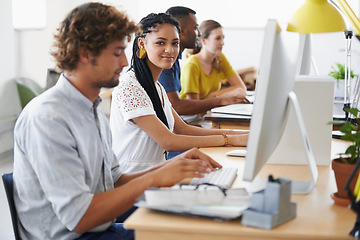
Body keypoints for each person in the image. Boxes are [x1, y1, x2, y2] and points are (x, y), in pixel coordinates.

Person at [12, 3, 221, 240]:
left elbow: (116, 181)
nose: (124, 62)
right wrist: (156, 178)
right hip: (76, 236)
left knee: (198, 223)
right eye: (117, 52)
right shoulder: (48, 118)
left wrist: (172, 166)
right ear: (85, 53)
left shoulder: (91, 110)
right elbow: (80, 217)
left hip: (101, 228)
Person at [109, 13, 248, 174]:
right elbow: (168, 141)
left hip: (155, 175)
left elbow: (183, 128)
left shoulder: (156, 86)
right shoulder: (130, 86)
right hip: (132, 180)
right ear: (142, 44)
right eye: (160, 42)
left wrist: (240, 134)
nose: (170, 50)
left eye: (175, 43)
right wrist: (229, 140)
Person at [157, 6, 248, 116]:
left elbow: (172, 110)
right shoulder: (170, 61)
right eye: (195, 28)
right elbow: (177, 106)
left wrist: (214, 97)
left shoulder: (175, 60)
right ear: (181, 31)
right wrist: (219, 100)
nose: (199, 33)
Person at [179, 19, 248, 101]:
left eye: (223, 38)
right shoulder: (191, 65)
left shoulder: (220, 58)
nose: (222, 42)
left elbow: (241, 88)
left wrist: (214, 95)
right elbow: (194, 106)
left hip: (210, 110)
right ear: (204, 41)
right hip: (192, 113)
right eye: (218, 38)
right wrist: (218, 97)